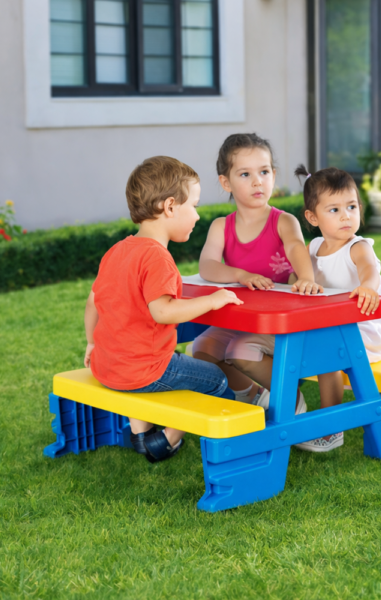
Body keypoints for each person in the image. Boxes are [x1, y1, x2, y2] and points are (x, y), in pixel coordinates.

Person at [84, 156, 243, 464]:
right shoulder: (157, 257)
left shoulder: (116, 251)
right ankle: (165, 440)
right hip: (144, 371)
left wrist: (92, 343)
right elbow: (164, 312)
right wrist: (213, 300)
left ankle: (140, 434)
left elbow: (93, 303)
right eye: (194, 205)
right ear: (170, 206)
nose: (197, 215)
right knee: (217, 380)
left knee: (163, 364)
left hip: (106, 366)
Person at [190, 133, 322, 413]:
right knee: (200, 349)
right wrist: (240, 275)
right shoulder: (221, 226)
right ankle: (250, 393)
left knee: (241, 349)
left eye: (264, 172)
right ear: (226, 182)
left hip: (278, 322)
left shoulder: (283, 221)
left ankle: (291, 401)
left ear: (273, 175)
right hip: (240, 318)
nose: (257, 181)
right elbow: (207, 266)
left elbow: (296, 246)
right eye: (245, 174)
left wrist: (306, 277)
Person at [293, 165, 381, 452]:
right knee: (293, 345)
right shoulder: (314, 248)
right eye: (334, 210)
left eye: (351, 206)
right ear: (313, 218)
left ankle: (331, 427)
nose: (346, 215)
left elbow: (369, 269)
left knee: (327, 353)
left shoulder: (358, 247)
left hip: (363, 333)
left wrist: (368, 286)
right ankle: (290, 413)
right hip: (332, 327)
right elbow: (300, 276)